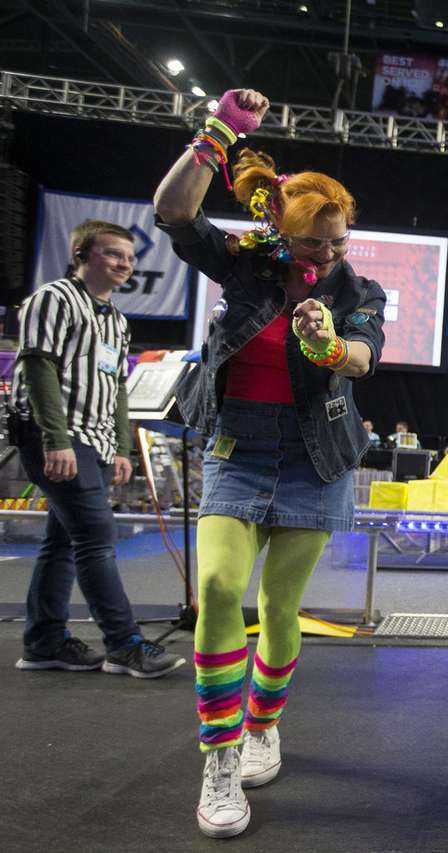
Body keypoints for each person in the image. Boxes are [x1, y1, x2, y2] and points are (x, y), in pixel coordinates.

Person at [153, 88, 386, 838]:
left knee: (281, 607)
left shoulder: (359, 289)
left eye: (340, 241)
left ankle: (263, 726)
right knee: (220, 589)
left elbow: (363, 357)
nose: (330, 255)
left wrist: (328, 345)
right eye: (315, 244)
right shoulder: (244, 264)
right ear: (280, 232)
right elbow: (173, 212)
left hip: (318, 454)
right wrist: (218, 132)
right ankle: (220, 759)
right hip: (237, 446)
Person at [10, 220, 186, 679]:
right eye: (113, 254)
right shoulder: (54, 298)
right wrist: (56, 439)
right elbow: (39, 367)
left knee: (62, 541)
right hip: (57, 436)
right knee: (96, 536)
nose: (125, 263)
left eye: (129, 257)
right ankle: (123, 643)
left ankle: (44, 642)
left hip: (96, 442)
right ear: (82, 255)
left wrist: (122, 448)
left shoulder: (116, 320)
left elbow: (117, 388)